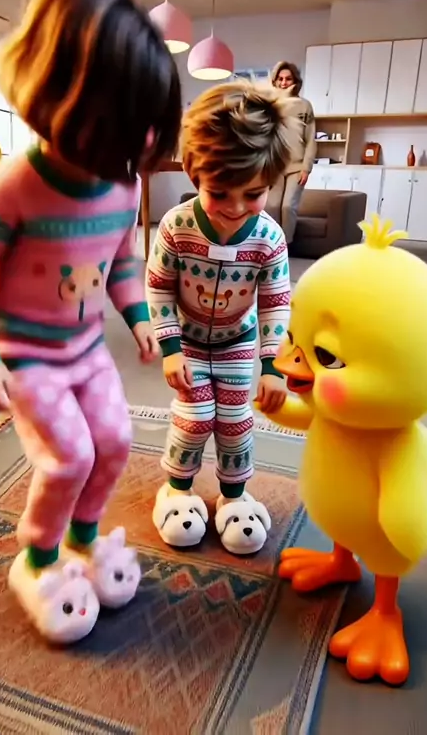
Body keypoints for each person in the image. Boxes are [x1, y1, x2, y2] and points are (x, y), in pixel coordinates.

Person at [0, 0, 181, 643]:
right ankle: (37, 561)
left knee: (114, 441)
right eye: (124, 131)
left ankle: (83, 542)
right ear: (63, 103)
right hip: (29, 359)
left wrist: (139, 319)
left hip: (87, 353)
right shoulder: (13, 185)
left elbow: (120, 264)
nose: (136, 149)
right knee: (68, 458)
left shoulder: (123, 184)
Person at [146, 81, 295, 555]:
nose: (235, 208)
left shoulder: (269, 238)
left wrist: (272, 367)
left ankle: (234, 498)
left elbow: (275, 301)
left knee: (234, 422)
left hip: (237, 344)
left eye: (253, 194)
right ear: (195, 175)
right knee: (194, 419)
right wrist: (170, 348)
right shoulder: (176, 226)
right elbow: (159, 285)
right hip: (188, 343)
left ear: (271, 183)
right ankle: (177, 491)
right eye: (219, 193)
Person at [266, 61, 316, 245]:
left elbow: (311, 139)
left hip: (297, 166)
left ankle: (284, 246)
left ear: (295, 81)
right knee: (271, 206)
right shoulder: (270, 105)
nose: (284, 82)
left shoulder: (305, 106)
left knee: (288, 206)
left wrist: (306, 168)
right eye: (280, 79)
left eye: (288, 79)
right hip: (275, 166)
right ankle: (271, 245)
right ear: (275, 81)